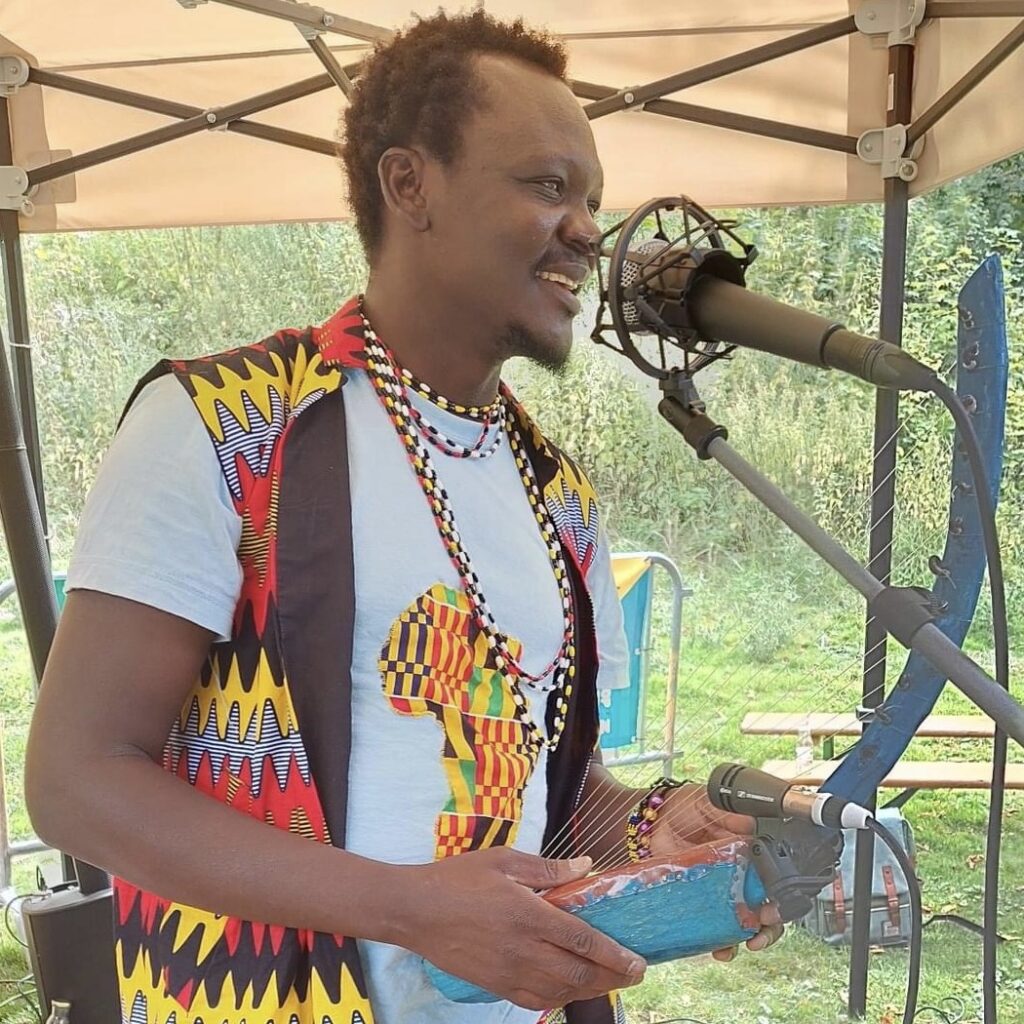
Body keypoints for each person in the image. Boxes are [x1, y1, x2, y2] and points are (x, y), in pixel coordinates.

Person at [25, 11, 780, 1024]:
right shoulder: (225, 424)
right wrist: (409, 909)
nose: (588, 231)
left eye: (592, 200)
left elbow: (551, 787)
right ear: (409, 184)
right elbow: (77, 781)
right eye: (547, 186)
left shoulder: (558, 495)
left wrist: (651, 826)